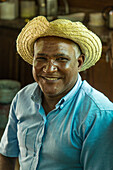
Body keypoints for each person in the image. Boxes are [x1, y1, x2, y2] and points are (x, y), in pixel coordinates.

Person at [0, 16, 113, 170]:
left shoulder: (98, 114)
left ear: (79, 63)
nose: (49, 68)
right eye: (41, 58)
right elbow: (7, 154)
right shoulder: (23, 97)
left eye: (61, 58)